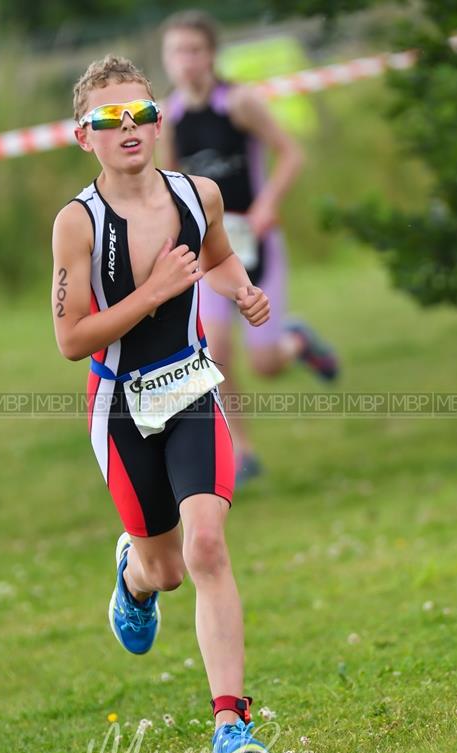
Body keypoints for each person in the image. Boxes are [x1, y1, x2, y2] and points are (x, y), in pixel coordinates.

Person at [51, 54, 273, 753]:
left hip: (191, 392)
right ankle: (133, 576)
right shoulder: (76, 223)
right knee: (167, 569)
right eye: (109, 119)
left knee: (207, 546)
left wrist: (239, 289)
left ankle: (230, 726)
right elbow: (71, 339)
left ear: (157, 120)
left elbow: (214, 257)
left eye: (141, 113)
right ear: (84, 134)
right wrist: (150, 294)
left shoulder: (197, 193)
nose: (130, 129)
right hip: (118, 407)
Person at [159, 11, 340, 483]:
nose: (187, 61)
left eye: (195, 50)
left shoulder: (237, 103)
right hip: (210, 251)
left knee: (264, 364)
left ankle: (294, 341)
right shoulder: (170, 119)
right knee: (214, 352)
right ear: (167, 60)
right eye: (177, 52)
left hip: (257, 244)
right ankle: (242, 451)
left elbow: (292, 152)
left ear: (212, 55)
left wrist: (266, 204)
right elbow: (171, 185)